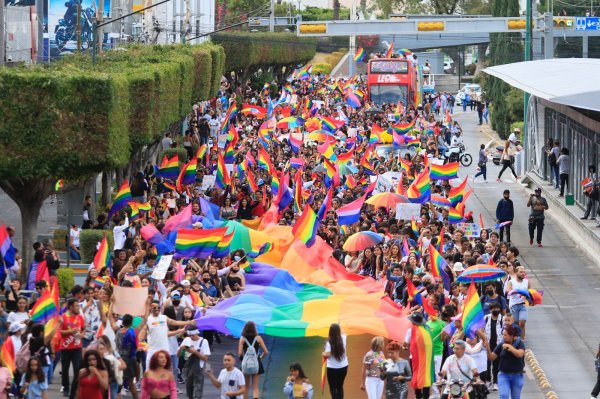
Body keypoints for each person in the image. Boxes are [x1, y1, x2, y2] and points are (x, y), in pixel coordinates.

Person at [484, 325, 525, 399]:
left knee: (516, 397)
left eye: (505, 335)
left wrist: (510, 347)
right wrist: (487, 348)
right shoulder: (501, 344)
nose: (503, 337)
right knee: (504, 395)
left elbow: (520, 354)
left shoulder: (519, 343)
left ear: (511, 336)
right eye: (503, 334)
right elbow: (492, 357)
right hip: (504, 375)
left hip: (517, 375)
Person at [59, 298, 85, 398]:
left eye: (79, 306)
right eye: (77, 306)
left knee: (77, 369)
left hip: (77, 347)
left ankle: (75, 390)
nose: (79, 308)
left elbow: (83, 330)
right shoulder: (63, 317)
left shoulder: (80, 317)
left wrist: (82, 335)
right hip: (65, 347)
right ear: (70, 307)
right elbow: (59, 332)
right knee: (65, 369)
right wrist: (70, 332)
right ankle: (66, 387)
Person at [178, 325, 211, 399]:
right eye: (189, 335)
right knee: (189, 393)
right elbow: (178, 355)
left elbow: (205, 358)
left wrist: (195, 352)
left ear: (197, 333)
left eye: (192, 335)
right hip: (187, 369)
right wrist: (181, 348)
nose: (191, 337)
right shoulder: (186, 339)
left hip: (198, 371)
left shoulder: (203, 342)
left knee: (197, 393)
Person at [238, 321, 268, 399]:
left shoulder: (242, 339)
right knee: (255, 387)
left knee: (246, 387)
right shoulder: (258, 338)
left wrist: (242, 359)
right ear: (254, 329)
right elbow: (266, 352)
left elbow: (240, 353)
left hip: (246, 363)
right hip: (256, 362)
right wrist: (261, 357)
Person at [323, 323, 348, 399]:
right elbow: (344, 332)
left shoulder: (329, 342)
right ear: (339, 331)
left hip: (332, 368)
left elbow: (327, 355)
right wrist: (340, 324)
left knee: (333, 387)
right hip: (343, 367)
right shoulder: (343, 338)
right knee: (340, 386)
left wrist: (323, 353)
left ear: (330, 331)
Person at [506, 266, 530, 341]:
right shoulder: (511, 282)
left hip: (523, 305)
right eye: (521, 272)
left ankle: (522, 340)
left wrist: (529, 297)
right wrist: (516, 291)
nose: (523, 274)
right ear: (516, 273)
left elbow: (530, 292)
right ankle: (515, 338)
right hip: (514, 305)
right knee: (515, 323)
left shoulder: (527, 282)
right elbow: (508, 291)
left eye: (524, 272)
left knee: (522, 323)